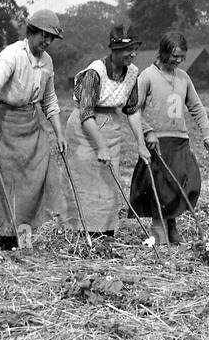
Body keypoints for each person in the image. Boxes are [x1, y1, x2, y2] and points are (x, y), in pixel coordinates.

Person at [0, 9, 66, 250]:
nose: (46, 42)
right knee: (4, 185)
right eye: (43, 36)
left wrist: (59, 134)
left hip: (30, 123)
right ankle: (4, 243)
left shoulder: (47, 61)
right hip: (3, 123)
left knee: (33, 183)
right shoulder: (12, 55)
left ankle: (25, 242)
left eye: (51, 38)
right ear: (31, 32)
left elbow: (50, 100)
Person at [62, 26, 150, 238]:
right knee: (85, 183)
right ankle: (81, 234)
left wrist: (141, 143)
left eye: (134, 49)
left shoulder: (133, 73)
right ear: (114, 50)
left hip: (111, 127)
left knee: (109, 183)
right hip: (85, 130)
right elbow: (86, 113)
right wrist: (100, 146)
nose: (132, 54)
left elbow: (132, 111)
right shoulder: (95, 72)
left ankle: (105, 232)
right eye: (127, 49)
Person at [132, 31, 209, 245]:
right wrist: (147, 131)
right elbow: (133, 110)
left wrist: (207, 133)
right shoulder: (147, 76)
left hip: (180, 141)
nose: (178, 61)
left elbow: (196, 107)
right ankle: (158, 232)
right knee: (160, 189)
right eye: (175, 56)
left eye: (181, 57)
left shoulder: (183, 77)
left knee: (182, 185)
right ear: (164, 51)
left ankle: (172, 225)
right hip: (158, 142)